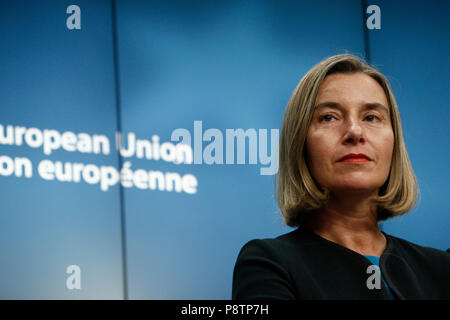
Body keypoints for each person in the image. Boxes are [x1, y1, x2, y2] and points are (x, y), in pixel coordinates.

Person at [232, 53, 450, 300]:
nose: (355, 132)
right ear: (300, 144)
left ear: (394, 142)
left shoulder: (441, 268)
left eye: (371, 117)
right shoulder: (268, 263)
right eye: (329, 117)